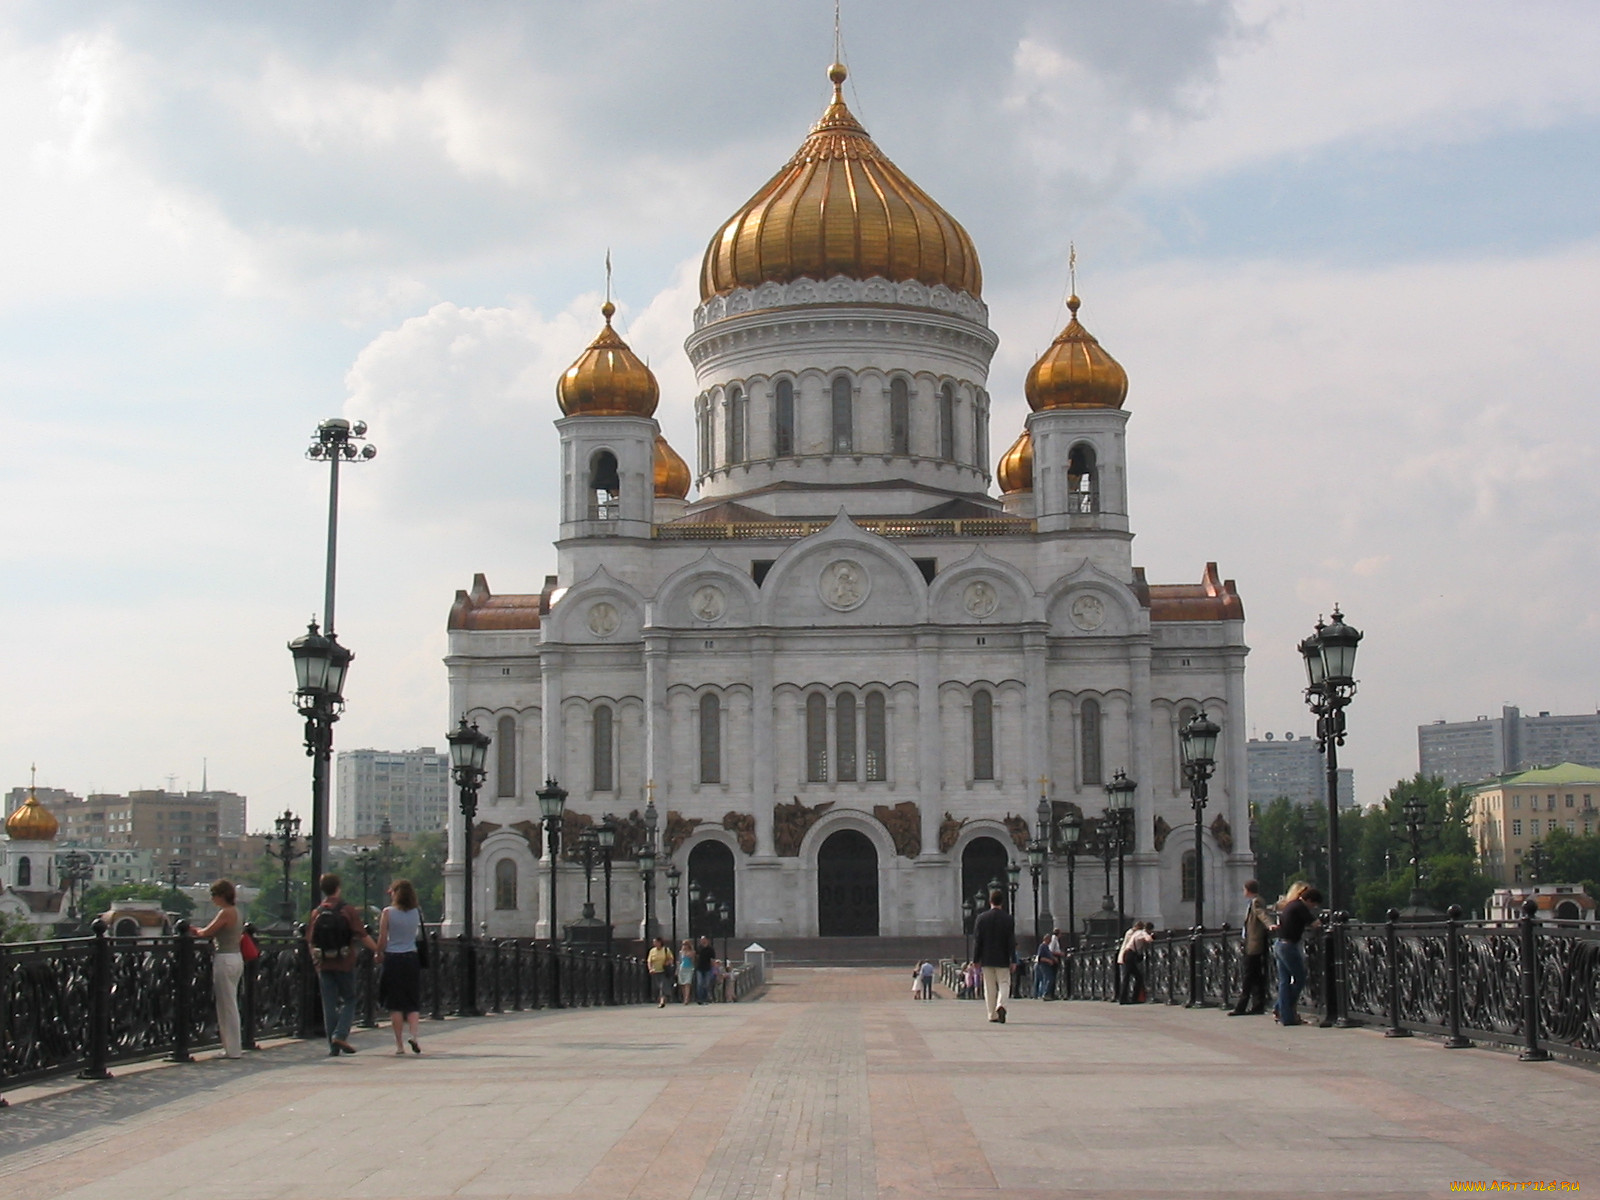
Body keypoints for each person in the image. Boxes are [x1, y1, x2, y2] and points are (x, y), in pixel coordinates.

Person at [307, 873, 378, 1056]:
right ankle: (340, 1034)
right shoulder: (347, 910)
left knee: (328, 1004)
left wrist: (316, 960)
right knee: (350, 999)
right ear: (338, 888)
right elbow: (362, 936)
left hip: (324, 963)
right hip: (344, 961)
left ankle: (333, 1047)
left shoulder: (317, 913)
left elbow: (310, 940)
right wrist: (378, 951)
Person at [194, 879, 243, 1059]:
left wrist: (194, 930)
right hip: (236, 957)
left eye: (214, 895)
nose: (212, 899)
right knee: (231, 1003)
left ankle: (232, 1049)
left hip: (224, 958)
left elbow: (207, 932)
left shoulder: (225, 912)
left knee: (226, 1005)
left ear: (222, 895)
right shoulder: (237, 912)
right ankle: (234, 1046)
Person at [375, 879, 425, 1055]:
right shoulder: (416, 912)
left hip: (393, 959)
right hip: (411, 958)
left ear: (396, 893)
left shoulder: (388, 912)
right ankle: (414, 1036)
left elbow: (382, 938)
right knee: (412, 1001)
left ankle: (399, 1045)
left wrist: (378, 953)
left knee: (395, 1004)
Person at [1271, 884, 1321, 1025]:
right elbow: (1315, 923)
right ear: (1310, 900)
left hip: (1279, 944)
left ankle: (1283, 1013)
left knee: (1284, 982)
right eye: (1314, 905)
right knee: (1300, 978)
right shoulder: (1300, 907)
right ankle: (1283, 1010)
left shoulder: (1291, 905)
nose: (1313, 907)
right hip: (1289, 946)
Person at [970, 889, 1016, 1024]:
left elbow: (977, 940)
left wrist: (975, 959)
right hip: (1003, 958)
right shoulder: (1008, 919)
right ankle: (1001, 1005)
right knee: (1004, 983)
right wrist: (1013, 959)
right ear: (1002, 902)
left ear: (990, 901)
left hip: (987, 958)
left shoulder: (981, 918)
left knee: (989, 987)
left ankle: (992, 1014)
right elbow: (1011, 941)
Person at [1228, 879, 1272, 1016]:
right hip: (1252, 943)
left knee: (1248, 976)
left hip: (1254, 945)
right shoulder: (1255, 901)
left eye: (1244, 890)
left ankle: (1241, 1007)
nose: (1243, 892)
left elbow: (1261, 914)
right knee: (1257, 976)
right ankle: (1258, 1005)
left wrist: (1270, 924)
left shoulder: (1255, 902)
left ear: (1248, 890)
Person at [1117, 922, 1153, 1004]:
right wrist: (1152, 936)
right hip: (1130, 955)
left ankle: (1124, 998)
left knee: (1129, 976)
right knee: (1134, 977)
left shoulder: (1136, 933)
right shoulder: (1142, 933)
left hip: (1127, 954)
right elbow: (1149, 939)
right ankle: (1131, 998)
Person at [647, 937, 674, 1007]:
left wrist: (668, 963)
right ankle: (661, 998)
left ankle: (662, 1001)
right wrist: (650, 969)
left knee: (663, 986)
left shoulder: (665, 950)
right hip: (655, 971)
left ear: (660, 942)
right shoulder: (652, 951)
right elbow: (649, 961)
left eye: (656, 942)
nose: (654, 943)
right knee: (657, 987)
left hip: (663, 971)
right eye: (654, 942)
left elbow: (671, 959)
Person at [1033, 935, 1058, 999]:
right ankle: (1046, 994)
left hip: (1046, 965)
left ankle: (1046, 993)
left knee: (1047, 979)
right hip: (1044, 965)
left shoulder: (1046, 947)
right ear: (1046, 939)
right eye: (1049, 939)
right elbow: (1040, 958)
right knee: (1048, 978)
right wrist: (1049, 960)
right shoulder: (1042, 946)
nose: (1050, 941)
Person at [693, 935, 715, 1004]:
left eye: (704, 940)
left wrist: (713, 968)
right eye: (701, 940)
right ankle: (700, 998)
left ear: (707, 940)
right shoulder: (698, 948)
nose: (703, 941)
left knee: (706, 984)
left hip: (707, 968)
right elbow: (695, 957)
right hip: (699, 968)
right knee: (699, 983)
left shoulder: (710, 949)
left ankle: (705, 998)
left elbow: (712, 959)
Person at [676, 938, 695, 1004]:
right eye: (683, 944)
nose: (684, 946)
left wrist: (688, 954)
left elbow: (693, 960)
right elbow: (679, 961)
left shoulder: (692, 952)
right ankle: (684, 997)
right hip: (682, 968)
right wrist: (677, 970)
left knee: (687, 983)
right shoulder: (681, 952)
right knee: (682, 984)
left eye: (686, 944)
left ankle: (687, 998)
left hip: (689, 968)